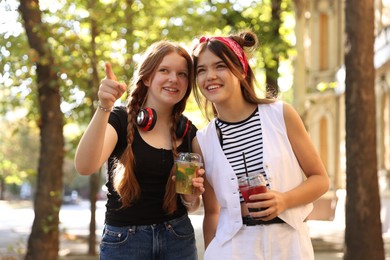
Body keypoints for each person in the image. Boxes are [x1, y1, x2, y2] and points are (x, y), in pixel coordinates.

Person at [191, 31, 329, 259]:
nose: (210, 76)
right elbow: (213, 211)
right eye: (201, 70)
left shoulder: (281, 114)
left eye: (220, 66)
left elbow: (320, 179)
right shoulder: (202, 141)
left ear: (241, 69)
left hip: (289, 245)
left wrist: (284, 200)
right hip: (231, 248)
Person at [74, 40, 205, 260]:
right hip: (125, 242)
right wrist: (104, 106)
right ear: (146, 77)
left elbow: (192, 206)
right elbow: (84, 166)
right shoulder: (119, 119)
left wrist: (191, 196)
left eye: (182, 74)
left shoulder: (189, 132)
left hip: (178, 238)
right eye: (164, 70)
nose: (174, 79)